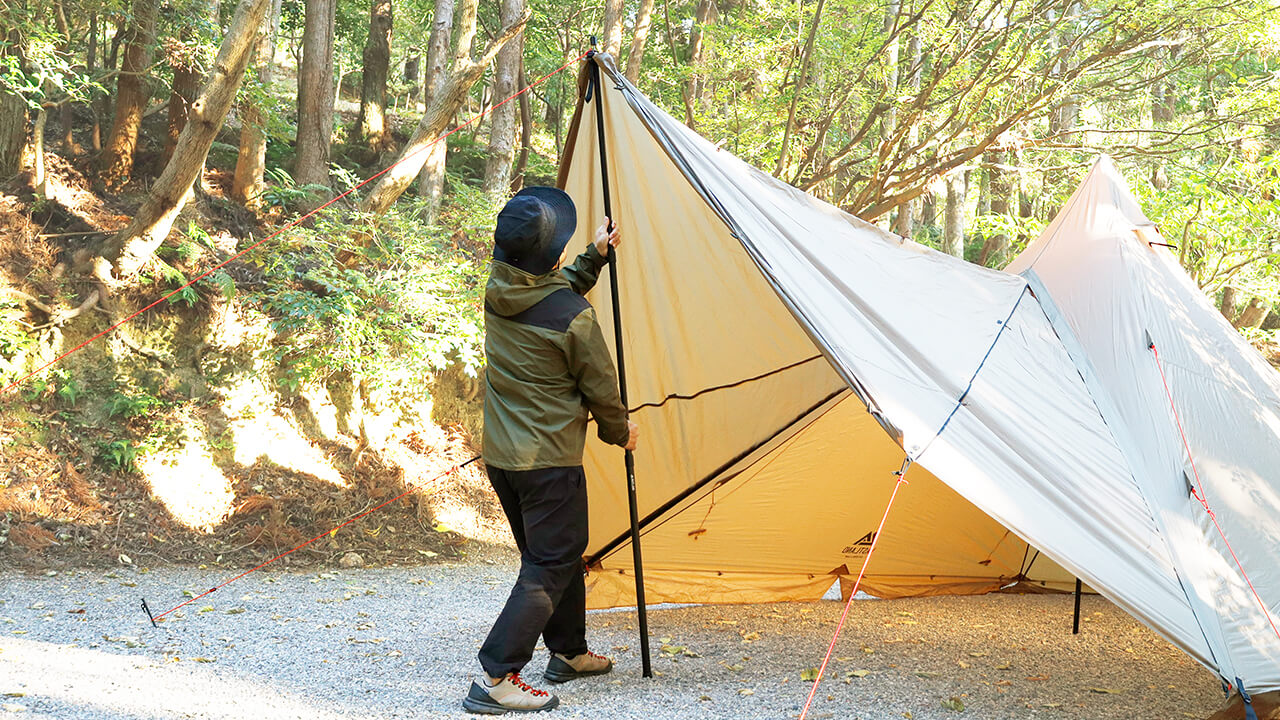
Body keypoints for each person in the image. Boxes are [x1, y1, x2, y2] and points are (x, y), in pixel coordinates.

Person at [463, 186, 640, 715]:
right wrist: (620, 432)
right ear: (551, 256)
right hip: (547, 461)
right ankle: (498, 676)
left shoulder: (498, 287)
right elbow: (601, 390)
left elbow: (550, 291)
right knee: (553, 558)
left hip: (503, 458)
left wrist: (596, 256)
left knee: (550, 557)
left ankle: (569, 653)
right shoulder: (574, 318)